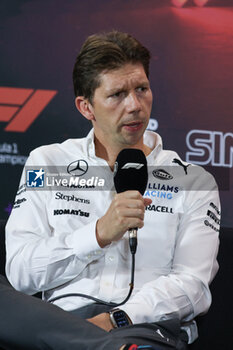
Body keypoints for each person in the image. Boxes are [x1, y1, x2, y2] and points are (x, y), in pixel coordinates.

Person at [5, 31, 220, 349]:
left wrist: (115, 319)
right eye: (117, 94)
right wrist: (96, 235)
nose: (135, 105)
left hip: (141, 327)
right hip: (55, 322)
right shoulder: (48, 162)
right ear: (86, 107)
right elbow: (21, 274)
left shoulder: (194, 182)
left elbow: (193, 286)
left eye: (142, 89)